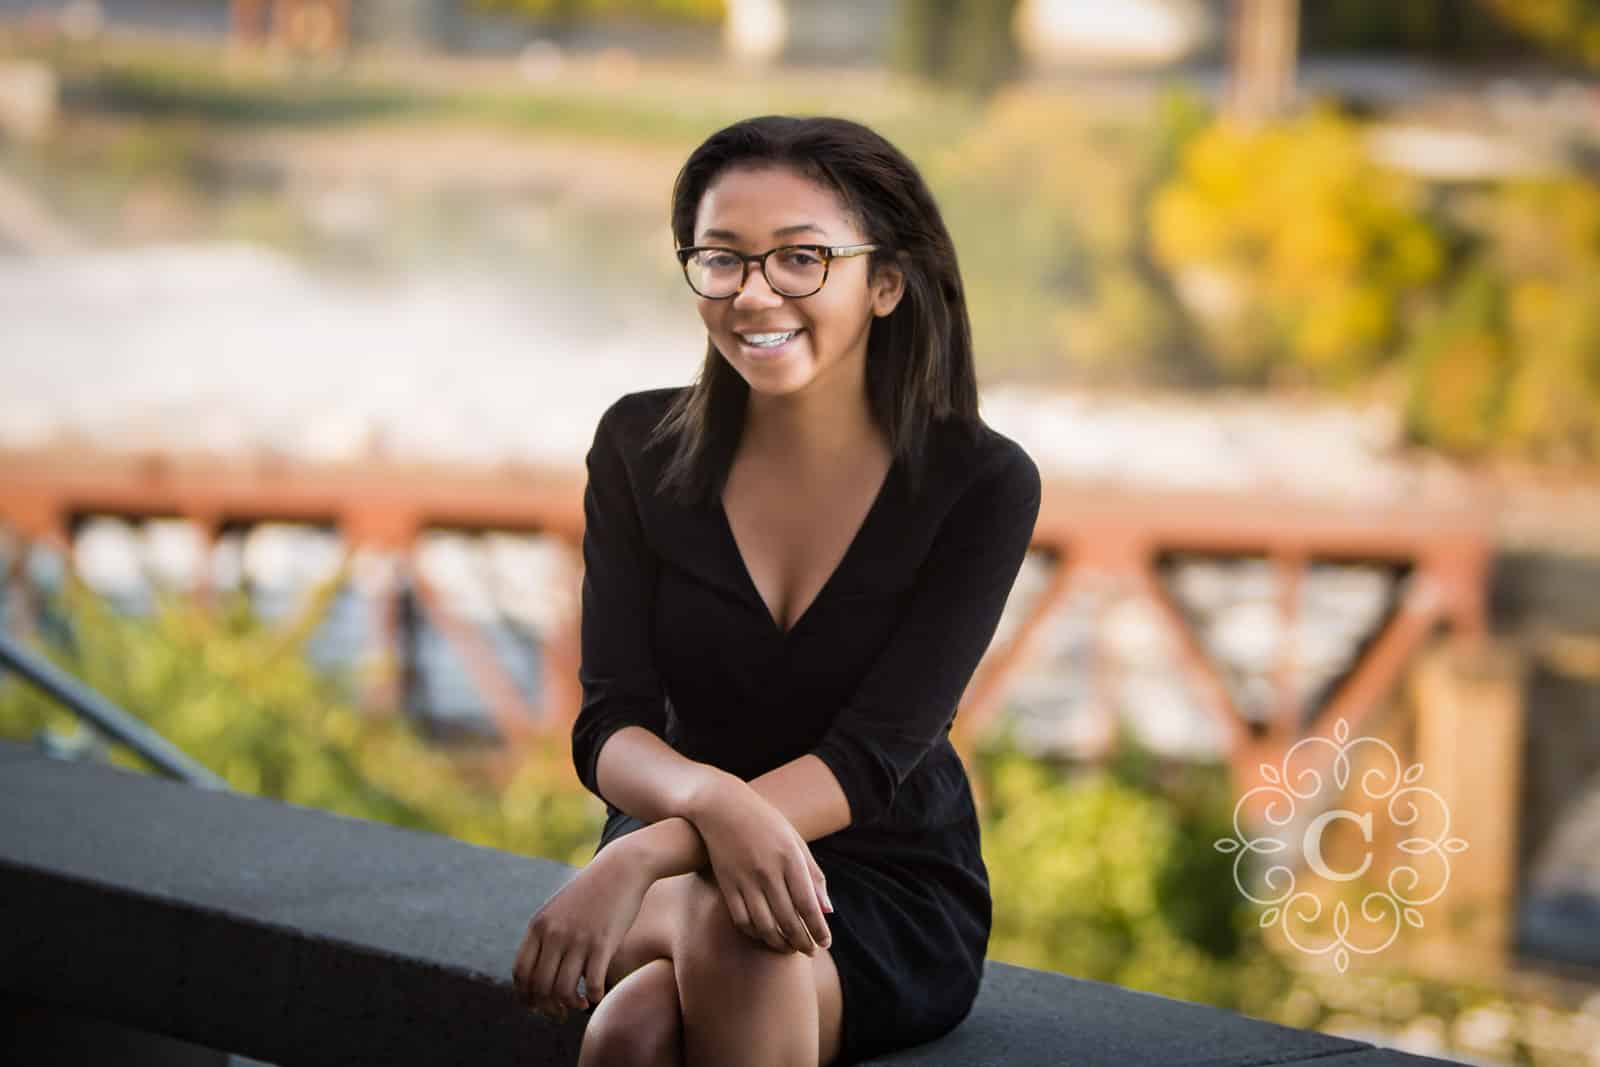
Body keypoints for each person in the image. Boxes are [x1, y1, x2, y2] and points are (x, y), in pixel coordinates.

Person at [512, 114, 1041, 1067]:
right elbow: (611, 722)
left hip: (884, 885)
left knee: (635, 1030)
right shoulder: (638, 447)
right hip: (677, 843)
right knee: (717, 934)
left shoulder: (981, 481)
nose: (755, 295)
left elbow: (879, 754)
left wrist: (642, 853)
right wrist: (712, 812)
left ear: (886, 281)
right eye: (722, 259)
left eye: (801, 259)